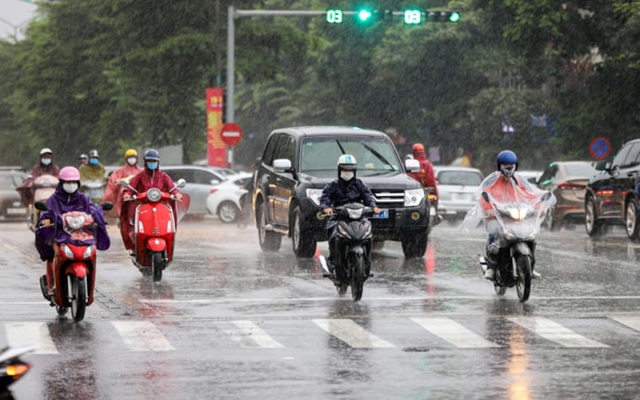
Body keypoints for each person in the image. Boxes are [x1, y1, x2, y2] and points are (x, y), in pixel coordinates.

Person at [34, 166, 110, 295]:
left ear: (78, 183)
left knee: (91, 252)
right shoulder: (54, 199)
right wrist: (46, 220)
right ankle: (53, 284)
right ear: (62, 183)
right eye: (68, 182)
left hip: (82, 234)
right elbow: (47, 211)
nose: (71, 185)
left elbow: (92, 210)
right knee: (56, 253)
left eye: (74, 182)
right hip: (59, 234)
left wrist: (98, 217)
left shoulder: (83, 198)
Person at [469, 150, 544, 280]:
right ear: (499, 166)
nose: (509, 168)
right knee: (493, 234)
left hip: (516, 216)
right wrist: (488, 209)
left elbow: (530, 194)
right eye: (506, 165)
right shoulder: (492, 180)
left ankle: (530, 267)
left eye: (512, 165)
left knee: (530, 237)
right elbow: (483, 195)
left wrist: (538, 207)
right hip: (497, 217)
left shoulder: (519, 180)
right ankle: (492, 267)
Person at [319, 154, 381, 271]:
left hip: (358, 218)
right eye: (344, 169)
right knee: (333, 234)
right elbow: (325, 199)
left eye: (350, 170)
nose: (347, 172)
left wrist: (373, 207)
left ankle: (367, 262)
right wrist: (326, 208)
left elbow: (369, 197)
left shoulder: (360, 184)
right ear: (339, 170)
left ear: (354, 170)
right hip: (338, 218)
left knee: (368, 235)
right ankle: (333, 261)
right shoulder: (332, 185)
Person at [120, 149, 182, 252]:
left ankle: (168, 245)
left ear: (158, 162)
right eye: (149, 161)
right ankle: (136, 244)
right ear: (145, 162)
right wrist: (127, 194)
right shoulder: (140, 176)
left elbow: (172, 187)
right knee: (135, 224)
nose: (152, 163)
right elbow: (131, 187)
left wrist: (176, 194)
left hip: (161, 208)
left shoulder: (163, 176)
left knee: (167, 225)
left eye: (154, 161)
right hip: (144, 207)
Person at [102, 149, 143, 218]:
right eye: (130, 157)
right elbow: (112, 185)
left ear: (137, 158)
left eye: (133, 157)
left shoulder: (141, 171)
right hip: (123, 198)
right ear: (126, 158)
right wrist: (121, 182)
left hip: (137, 197)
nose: (132, 159)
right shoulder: (120, 172)